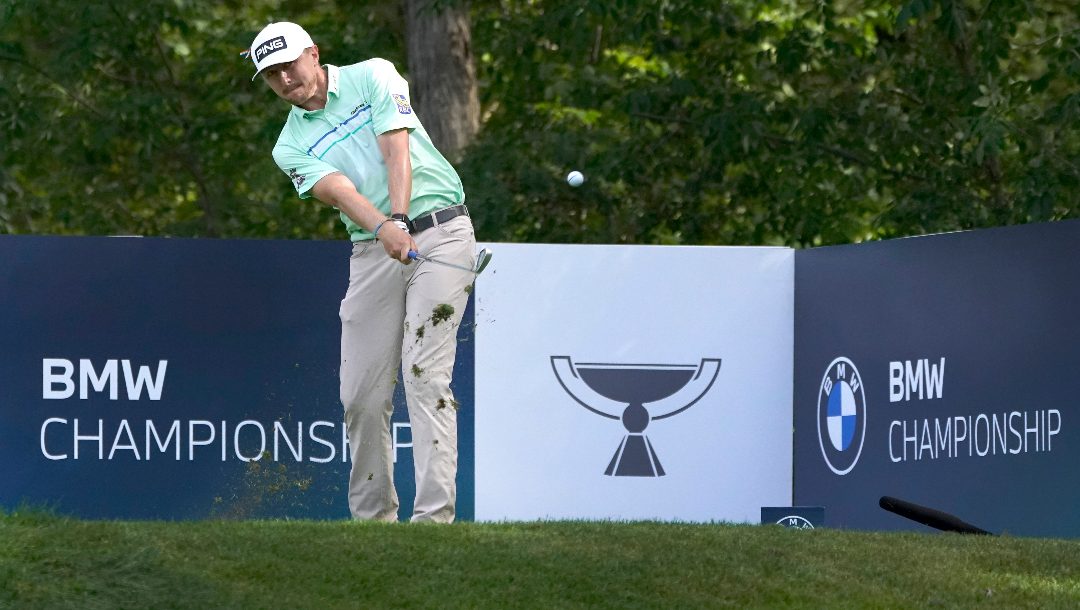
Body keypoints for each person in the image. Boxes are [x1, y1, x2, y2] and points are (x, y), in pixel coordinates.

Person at [249, 22, 475, 523]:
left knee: (423, 374)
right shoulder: (288, 145)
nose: (285, 78)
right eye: (272, 74)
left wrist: (398, 218)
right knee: (361, 395)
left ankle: (433, 522)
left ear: (314, 54)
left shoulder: (374, 74)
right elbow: (342, 193)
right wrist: (385, 229)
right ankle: (373, 526)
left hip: (440, 233)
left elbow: (396, 145)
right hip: (373, 253)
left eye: (290, 64)